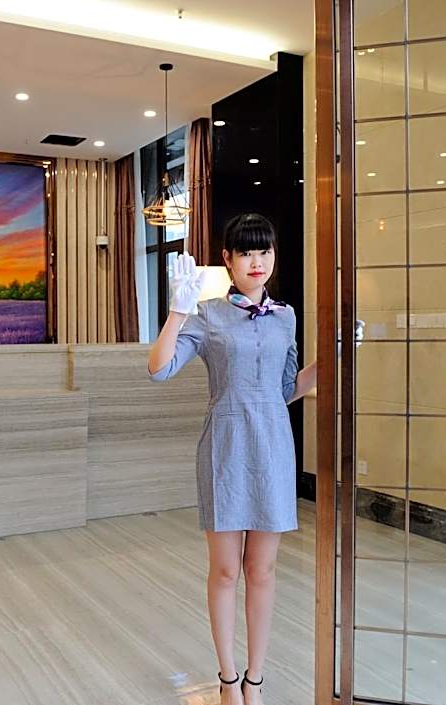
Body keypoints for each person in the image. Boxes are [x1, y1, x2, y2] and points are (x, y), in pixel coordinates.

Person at [148, 214, 360, 705]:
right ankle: (227, 678)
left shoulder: (286, 317)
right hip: (224, 447)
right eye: (246, 252)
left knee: (262, 571)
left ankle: (255, 679)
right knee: (226, 571)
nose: (257, 261)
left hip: (273, 448)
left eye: (264, 251)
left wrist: (334, 354)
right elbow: (159, 370)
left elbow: (287, 389)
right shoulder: (207, 315)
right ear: (228, 259)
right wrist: (177, 312)